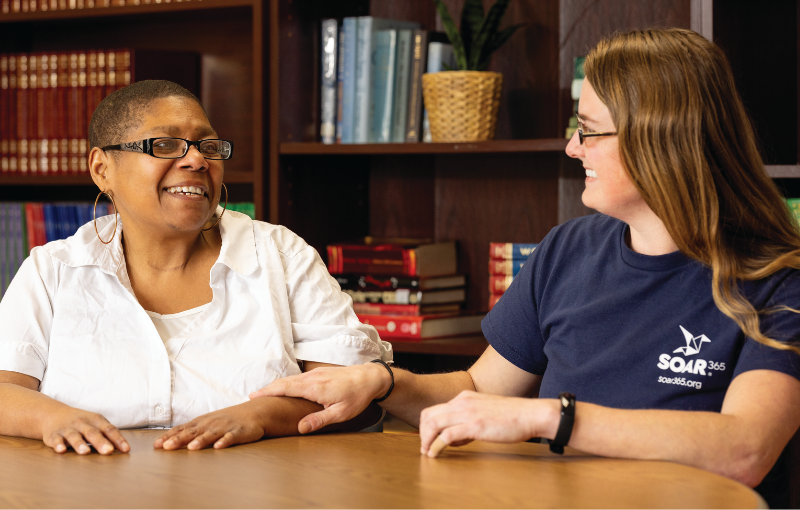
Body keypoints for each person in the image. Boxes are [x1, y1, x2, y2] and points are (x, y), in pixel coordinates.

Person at [251, 28, 800, 507]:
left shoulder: (779, 280)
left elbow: (745, 448)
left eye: (587, 130)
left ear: (660, 136)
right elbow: (479, 391)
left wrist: (549, 419)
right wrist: (384, 384)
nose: (570, 147)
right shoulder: (568, 250)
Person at [0, 80, 391, 456]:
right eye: (166, 144)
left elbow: (353, 394)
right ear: (103, 169)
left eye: (208, 146)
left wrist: (261, 416)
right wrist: (54, 418)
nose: (197, 160)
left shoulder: (282, 256)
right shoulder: (52, 270)